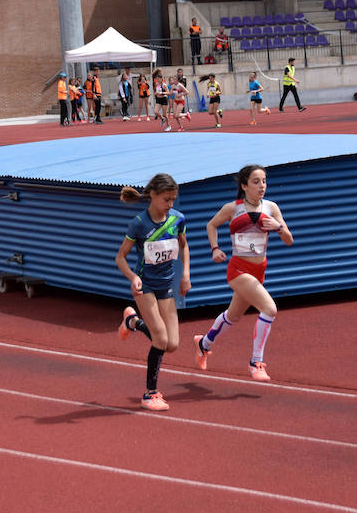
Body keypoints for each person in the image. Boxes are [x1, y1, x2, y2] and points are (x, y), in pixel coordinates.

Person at [193, 164, 293, 382]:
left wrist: (278, 227)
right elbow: (211, 225)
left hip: (259, 270)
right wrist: (215, 248)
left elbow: (289, 240)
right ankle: (256, 362)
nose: (262, 186)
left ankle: (204, 343)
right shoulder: (233, 208)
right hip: (238, 269)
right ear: (244, 185)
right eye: (256, 182)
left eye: (264, 181)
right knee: (269, 308)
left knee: (233, 315)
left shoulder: (272, 208)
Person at [115, 173, 190, 411]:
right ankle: (150, 394)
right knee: (160, 339)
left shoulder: (177, 219)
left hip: (166, 285)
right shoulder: (139, 223)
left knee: (173, 344)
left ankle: (133, 322)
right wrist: (133, 277)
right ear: (154, 196)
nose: (170, 204)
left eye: (173, 200)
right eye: (166, 199)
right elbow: (120, 257)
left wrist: (186, 274)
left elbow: (184, 246)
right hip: (144, 286)